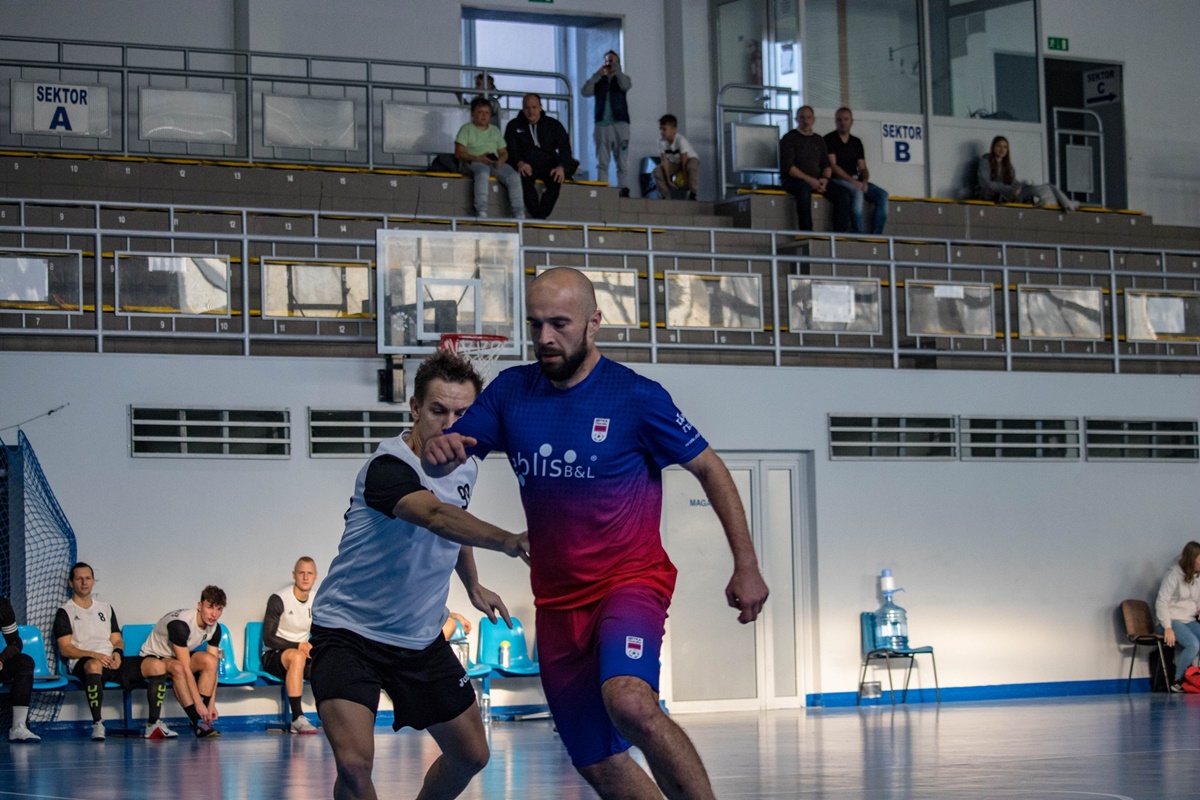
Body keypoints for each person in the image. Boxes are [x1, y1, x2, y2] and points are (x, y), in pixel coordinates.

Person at [423, 267, 770, 800]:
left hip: (628, 581)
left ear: (594, 323)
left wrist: (745, 564)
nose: (544, 339)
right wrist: (443, 451)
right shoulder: (513, 390)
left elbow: (711, 470)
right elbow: (455, 451)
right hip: (558, 602)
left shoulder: (637, 397)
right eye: (535, 325)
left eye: (559, 324)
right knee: (598, 761)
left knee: (630, 702)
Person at [310, 349, 530, 800]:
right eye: (437, 410)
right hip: (349, 632)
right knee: (354, 765)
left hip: (418, 638)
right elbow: (434, 515)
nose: (449, 424)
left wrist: (472, 584)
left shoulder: (466, 464)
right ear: (414, 408)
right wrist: (509, 541)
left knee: (472, 756)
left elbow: (455, 519)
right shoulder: (387, 469)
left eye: (462, 413)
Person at [53, 562, 174, 741]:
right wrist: (94, 655)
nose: (84, 583)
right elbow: (66, 649)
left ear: (93, 581)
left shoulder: (105, 608)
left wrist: (117, 653)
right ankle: (98, 724)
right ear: (71, 583)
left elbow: (117, 639)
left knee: (156, 666)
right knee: (94, 665)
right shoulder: (65, 612)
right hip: (86, 662)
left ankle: (153, 724)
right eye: (79, 579)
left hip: (111, 659)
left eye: (88, 578)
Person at [139, 586, 226, 738]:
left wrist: (211, 703)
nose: (214, 614)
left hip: (177, 656)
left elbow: (214, 669)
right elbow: (185, 668)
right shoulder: (180, 625)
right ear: (199, 606)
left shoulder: (215, 628)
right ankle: (197, 719)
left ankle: (202, 722)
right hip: (155, 658)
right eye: (210, 607)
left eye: (219, 609)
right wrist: (198, 703)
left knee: (210, 661)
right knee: (179, 668)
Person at [262, 556, 319, 734]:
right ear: (294, 575)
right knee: (297, 656)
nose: (305, 577)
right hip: (274, 655)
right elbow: (268, 638)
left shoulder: (317, 600)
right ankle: (297, 718)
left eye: (309, 573)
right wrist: (298, 646)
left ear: (315, 576)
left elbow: (323, 632)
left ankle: (332, 716)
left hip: (301, 654)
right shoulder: (279, 599)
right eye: (301, 573)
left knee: (332, 662)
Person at [504, 93, 577, 220]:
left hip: (549, 164)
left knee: (556, 178)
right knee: (524, 180)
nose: (530, 111)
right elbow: (510, 149)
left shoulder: (553, 125)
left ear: (540, 107)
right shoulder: (514, 125)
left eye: (534, 107)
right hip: (526, 164)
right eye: (527, 108)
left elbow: (565, 148)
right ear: (522, 108)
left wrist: (561, 167)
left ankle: (541, 215)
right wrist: (519, 163)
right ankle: (537, 215)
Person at [455, 97, 525, 220]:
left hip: (493, 162)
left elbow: (503, 152)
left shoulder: (495, 130)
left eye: (487, 113)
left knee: (513, 176)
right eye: (480, 112)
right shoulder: (466, 129)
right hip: (473, 161)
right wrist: (478, 158)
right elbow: (459, 153)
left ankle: (519, 212)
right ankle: (482, 210)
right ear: (472, 114)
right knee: (483, 172)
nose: (484, 116)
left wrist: (501, 160)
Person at [824, 107, 889, 234]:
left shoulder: (856, 142)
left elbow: (863, 167)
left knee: (883, 195)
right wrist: (853, 182)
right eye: (839, 120)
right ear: (835, 122)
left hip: (855, 180)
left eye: (846, 119)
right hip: (837, 180)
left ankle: (876, 235)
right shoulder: (829, 139)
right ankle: (858, 233)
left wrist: (864, 180)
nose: (843, 122)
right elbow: (833, 166)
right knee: (857, 192)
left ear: (851, 121)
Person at [977, 135, 1079, 212]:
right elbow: (987, 184)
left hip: (1010, 193)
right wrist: (1010, 190)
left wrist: (1018, 186)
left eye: (1005, 147)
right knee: (1032, 192)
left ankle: (1066, 203)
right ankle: (1065, 204)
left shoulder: (1009, 166)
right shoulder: (985, 162)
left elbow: (1012, 182)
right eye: (999, 146)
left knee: (1048, 186)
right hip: (994, 195)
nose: (1002, 149)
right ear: (993, 147)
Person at [582, 50, 632, 197]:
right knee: (602, 161)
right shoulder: (599, 81)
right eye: (608, 61)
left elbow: (625, 86)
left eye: (613, 61)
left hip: (621, 123)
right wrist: (597, 75)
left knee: (622, 159)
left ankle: (623, 189)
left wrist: (617, 71)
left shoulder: (622, 78)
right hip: (601, 124)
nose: (610, 64)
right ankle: (603, 190)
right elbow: (585, 92)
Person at [779, 105, 838, 231]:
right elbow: (789, 168)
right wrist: (810, 180)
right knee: (804, 189)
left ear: (813, 119)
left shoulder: (819, 140)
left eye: (808, 118)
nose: (806, 121)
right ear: (796, 120)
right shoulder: (789, 138)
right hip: (792, 180)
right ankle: (806, 231)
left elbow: (826, 165)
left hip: (817, 180)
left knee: (843, 193)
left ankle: (840, 232)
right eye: (802, 118)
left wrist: (825, 179)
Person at [1155, 541, 1200, 692]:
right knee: (1193, 644)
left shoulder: (1197, 577)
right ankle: (1177, 680)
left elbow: (1198, 600)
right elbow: (1161, 602)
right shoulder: (1173, 575)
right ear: (1191, 559)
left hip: (1189, 620)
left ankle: (1193, 675)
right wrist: (1167, 627)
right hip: (1170, 620)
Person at [1, 595, 39, 743]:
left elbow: (15, 642)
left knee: (24, 662)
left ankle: (18, 727)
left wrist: (1, 659)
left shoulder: (2, 605)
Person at [652, 114, 699, 201]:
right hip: (675, 162)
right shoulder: (661, 142)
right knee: (657, 171)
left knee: (691, 167)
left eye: (664, 129)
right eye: (660, 129)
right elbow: (664, 162)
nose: (662, 132)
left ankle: (693, 193)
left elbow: (684, 161)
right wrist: (668, 181)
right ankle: (665, 196)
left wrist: (685, 180)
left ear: (674, 130)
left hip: (689, 159)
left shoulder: (681, 141)